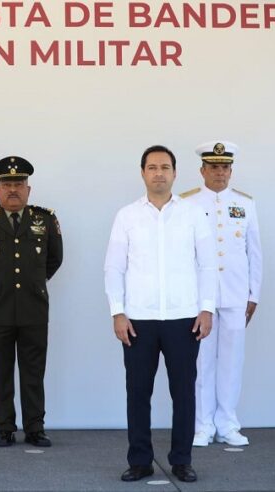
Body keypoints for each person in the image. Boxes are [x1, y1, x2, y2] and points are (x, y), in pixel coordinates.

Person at [104, 144, 217, 483]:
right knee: (138, 392)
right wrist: (118, 312)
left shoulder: (194, 213)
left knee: (184, 392)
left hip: (184, 318)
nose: (158, 173)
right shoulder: (127, 215)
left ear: (175, 173)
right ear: (142, 173)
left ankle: (182, 459)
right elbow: (113, 267)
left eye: (165, 167)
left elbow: (208, 264)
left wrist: (207, 308)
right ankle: (140, 460)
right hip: (138, 319)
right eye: (152, 167)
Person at [180, 141, 262, 447]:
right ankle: (203, 425)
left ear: (231, 171)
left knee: (232, 361)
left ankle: (228, 423)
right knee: (202, 362)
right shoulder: (187, 203)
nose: (220, 173)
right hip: (201, 297)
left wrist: (254, 293)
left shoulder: (246, 203)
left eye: (225, 167)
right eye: (213, 167)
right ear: (202, 170)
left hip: (236, 293)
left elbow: (254, 251)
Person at [0, 156, 63, 448]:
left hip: (33, 308)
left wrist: (32, 283)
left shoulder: (44, 219)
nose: (13, 190)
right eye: (6, 185)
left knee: (33, 372)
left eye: (19, 184)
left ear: (29, 189)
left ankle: (35, 428)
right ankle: (4, 428)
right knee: (0, 372)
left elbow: (54, 260)